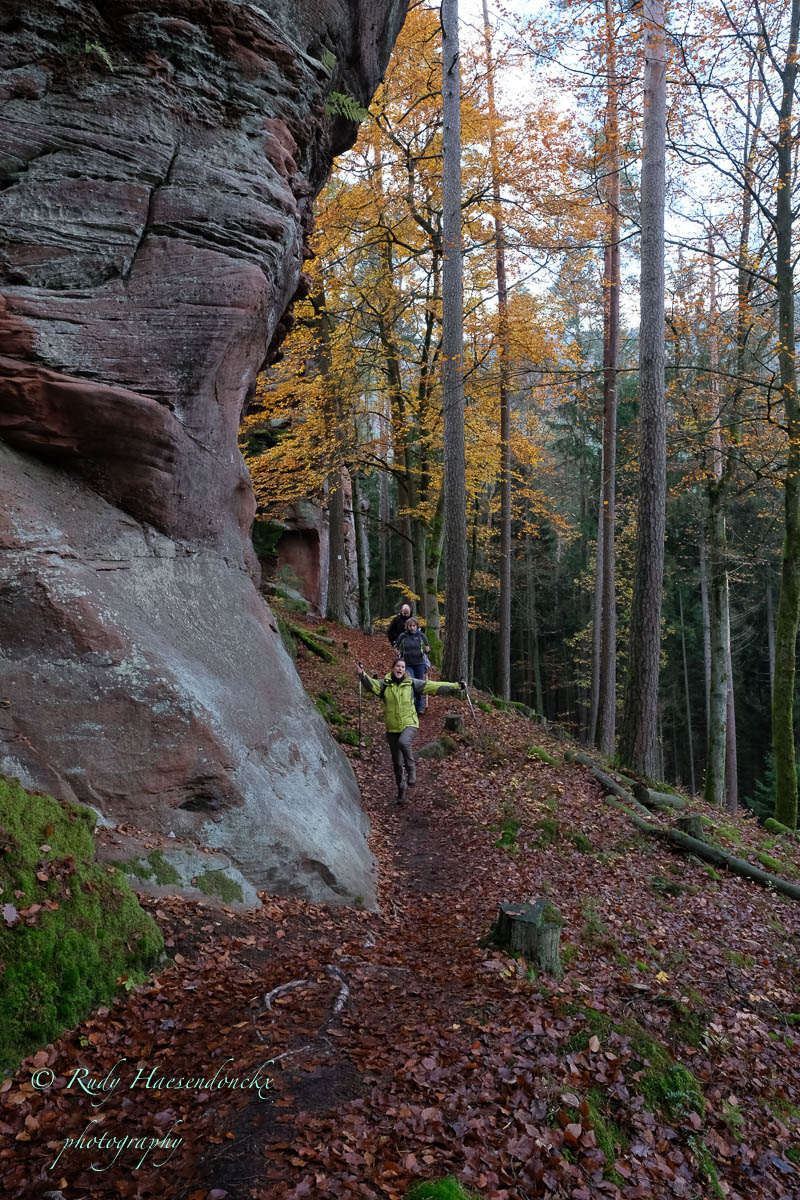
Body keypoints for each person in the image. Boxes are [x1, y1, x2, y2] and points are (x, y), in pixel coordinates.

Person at [357, 658, 466, 804]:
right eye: (398, 666)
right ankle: (401, 789)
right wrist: (362, 674)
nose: (400, 669)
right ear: (393, 668)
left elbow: (434, 686)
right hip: (392, 728)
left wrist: (455, 685)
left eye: (402, 667)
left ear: (405, 670)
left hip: (410, 723)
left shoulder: (412, 683)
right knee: (397, 763)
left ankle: (411, 770)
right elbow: (372, 685)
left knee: (404, 742)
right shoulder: (385, 684)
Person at [395, 618, 431, 714]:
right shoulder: (403, 636)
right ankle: (411, 705)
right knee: (410, 683)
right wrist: (397, 652)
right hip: (407, 664)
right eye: (410, 625)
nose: (412, 627)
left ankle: (420, 706)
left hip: (420, 663)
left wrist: (427, 649)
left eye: (413, 625)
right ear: (407, 626)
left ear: (417, 626)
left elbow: (427, 647)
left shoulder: (421, 636)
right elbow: (397, 647)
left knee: (419, 684)